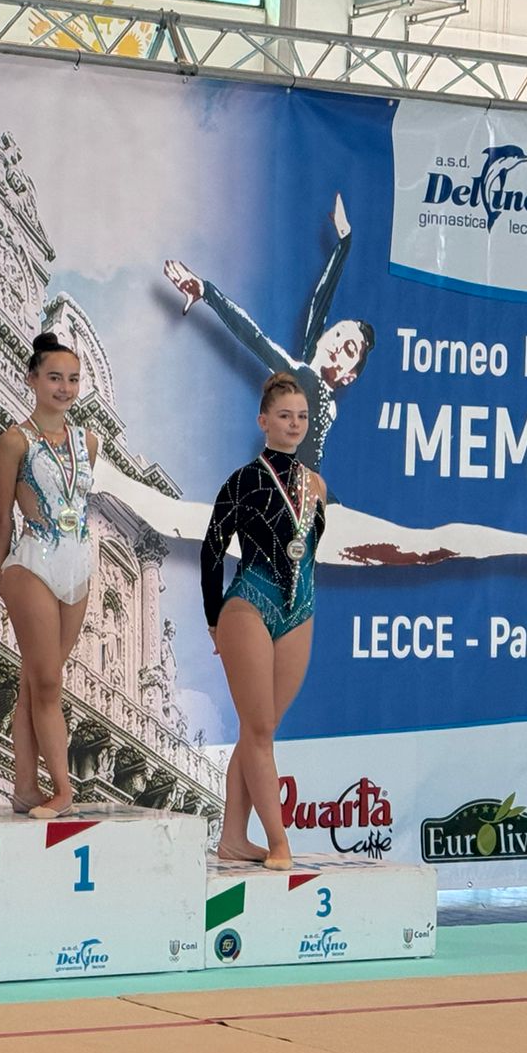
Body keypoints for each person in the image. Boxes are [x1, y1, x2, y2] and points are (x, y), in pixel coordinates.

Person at [202, 372, 328, 871]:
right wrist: (214, 619)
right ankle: (279, 842)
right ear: (263, 421)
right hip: (249, 604)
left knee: (261, 730)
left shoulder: (316, 486)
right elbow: (212, 552)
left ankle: (233, 838)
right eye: (284, 416)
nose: (294, 424)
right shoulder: (242, 481)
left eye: (301, 416)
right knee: (258, 732)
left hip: (300, 610)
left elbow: (309, 551)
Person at [164, 193, 371, 471]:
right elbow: (316, 305)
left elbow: (262, 335)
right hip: (289, 482)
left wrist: (208, 292)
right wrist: (345, 244)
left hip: (301, 486)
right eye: (338, 333)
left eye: (348, 349)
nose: (337, 343)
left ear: (349, 376)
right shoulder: (303, 374)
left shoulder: (308, 380)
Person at [0, 330, 97, 820]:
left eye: (72, 379)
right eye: (55, 378)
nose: (64, 388)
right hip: (32, 563)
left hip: (78, 568)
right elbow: (1, 516)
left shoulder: (87, 442)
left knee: (35, 683)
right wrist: (0, 573)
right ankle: (64, 790)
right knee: (49, 683)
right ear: (32, 379)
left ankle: (25, 788)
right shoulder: (14, 441)